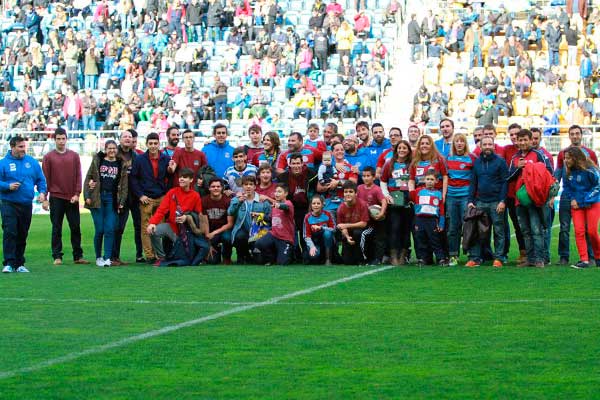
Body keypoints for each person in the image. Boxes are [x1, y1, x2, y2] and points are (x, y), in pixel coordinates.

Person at [0, 136, 47, 273]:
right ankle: (9, 262)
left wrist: (42, 193)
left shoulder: (32, 162)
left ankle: (19, 263)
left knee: (22, 233)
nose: (23, 149)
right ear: (12, 147)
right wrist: (7, 186)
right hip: (9, 203)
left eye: (24, 146)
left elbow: (41, 180)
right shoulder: (3, 163)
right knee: (10, 231)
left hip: (26, 204)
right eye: (20, 147)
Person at [507, 129, 554, 267]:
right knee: (525, 231)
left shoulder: (538, 155)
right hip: (520, 200)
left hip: (536, 200)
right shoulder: (515, 158)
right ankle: (530, 258)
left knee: (536, 229)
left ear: (530, 140)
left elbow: (549, 174)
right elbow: (508, 178)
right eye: (520, 140)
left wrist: (548, 196)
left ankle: (539, 259)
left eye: (525, 139)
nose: (522, 142)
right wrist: (518, 168)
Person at [42, 128, 88, 266]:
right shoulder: (48, 157)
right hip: (56, 197)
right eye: (58, 139)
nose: (61, 141)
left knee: (75, 227)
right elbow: (45, 179)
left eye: (63, 138)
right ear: (54, 140)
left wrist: (77, 194)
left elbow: (78, 176)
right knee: (57, 228)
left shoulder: (74, 156)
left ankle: (78, 256)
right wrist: (44, 197)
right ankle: (57, 256)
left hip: (72, 198)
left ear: (66, 139)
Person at [555, 125, 598, 265]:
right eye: (572, 134)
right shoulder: (563, 155)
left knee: (588, 229)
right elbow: (560, 176)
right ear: (569, 136)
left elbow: (596, 181)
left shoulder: (590, 155)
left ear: (581, 135)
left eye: (577, 133)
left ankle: (593, 256)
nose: (575, 136)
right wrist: (553, 194)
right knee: (565, 227)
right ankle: (566, 257)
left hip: (588, 199)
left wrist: (587, 199)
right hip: (569, 197)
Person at [147, 168, 207, 266]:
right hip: (172, 227)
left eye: (184, 177)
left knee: (186, 257)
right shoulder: (172, 192)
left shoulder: (195, 195)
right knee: (153, 230)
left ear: (191, 180)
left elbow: (198, 215)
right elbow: (161, 210)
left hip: (187, 231)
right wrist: (152, 223)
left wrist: (187, 217)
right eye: (180, 177)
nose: (181, 179)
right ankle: (162, 257)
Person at [84, 140, 128, 267]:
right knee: (100, 229)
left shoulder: (121, 164)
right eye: (109, 148)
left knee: (110, 229)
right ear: (105, 149)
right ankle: (98, 257)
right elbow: (88, 178)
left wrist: (122, 202)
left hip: (112, 199)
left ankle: (107, 258)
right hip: (97, 198)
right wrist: (87, 195)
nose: (112, 150)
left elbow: (124, 185)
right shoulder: (98, 160)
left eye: (114, 148)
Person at [466, 136, 508, 268]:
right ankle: (475, 258)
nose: (488, 146)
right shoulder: (477, 162)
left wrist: (502, 201)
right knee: (477, 231)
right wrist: (470, 200)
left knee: (499, 231)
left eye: (490, 144)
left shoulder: (500, 162)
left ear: (494, 146)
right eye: (485, 144)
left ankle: (499, 258)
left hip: (496, 202)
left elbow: (505, 183)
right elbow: (473, 182)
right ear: (481, 147)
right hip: (480, 202)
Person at [130, 133, 172, 263]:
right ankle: (149, 255)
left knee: (160, 227)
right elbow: (133, 178)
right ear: (147, 144)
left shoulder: (165, 159)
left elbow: (170, 177)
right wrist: (140, 195)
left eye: (155, 143)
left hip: (161, 197)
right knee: (146, 227)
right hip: (146, 197)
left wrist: (166, 195)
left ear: (159, 144)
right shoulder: (140, 159)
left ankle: (161, 254)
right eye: (151, 143)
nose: (153, 146)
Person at [564, 147, 600, 269]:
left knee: (592, 231)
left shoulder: (591, 170)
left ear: (575, 158)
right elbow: (567, 187)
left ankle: (598, 256)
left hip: (592, 203)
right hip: (577, 205)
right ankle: (584, 260)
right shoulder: (568, 171)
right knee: (579, 231)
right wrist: (573, 199)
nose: (566, 160)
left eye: (568, 158)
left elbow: (597, 186)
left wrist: (587, 200)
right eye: (565, 157)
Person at [380, 140, 413, 266]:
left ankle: (403, 255)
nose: (402, 150)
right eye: (400, 148)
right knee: (394, 228)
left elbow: (414, 180)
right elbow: (383, 181)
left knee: (406, 228)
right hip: (394, 199)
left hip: (408, 199)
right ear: (396, 150)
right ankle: (393, 255)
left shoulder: (412, 164)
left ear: (408, 150)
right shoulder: (389, 164)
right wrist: (386, 195)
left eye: (405, 148)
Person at [445, 133, 475, 266]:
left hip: (465, 196)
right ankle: (453, 255)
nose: (459, 143)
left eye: (462, 141)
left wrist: (472, 198)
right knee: (453, 227)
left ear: (465, 144)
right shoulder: (448, 159)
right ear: (454, 144)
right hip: (451, 197)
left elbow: (475, 178)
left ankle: (471, 255)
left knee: (468, 226)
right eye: (457, 141)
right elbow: (444, 177)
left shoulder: (471, 158)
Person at [227, 175, 272, 264]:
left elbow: (270, 217)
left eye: (251, 184)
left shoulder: (262, 200)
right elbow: (230, 212)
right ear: (242, 186)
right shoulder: (236, 199)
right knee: (239, 237)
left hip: (259, 230)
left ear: (255, 186)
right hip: (243, 230)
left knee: (259, 261)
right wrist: (238, 202)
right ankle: (242, 255)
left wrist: (260, 217)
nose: (248, 186)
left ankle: (256, 254)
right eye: (246, 184)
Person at [410, 171, 448, 266]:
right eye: (427, 179)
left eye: (432, 179)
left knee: (435, 240)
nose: (429, 181)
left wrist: (441, 224)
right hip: (420, 220)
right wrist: (407, 182)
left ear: (436, 181)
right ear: (424, 180)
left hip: (432, 221)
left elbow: (442, 211)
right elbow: (410, 195)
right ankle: (423, 259)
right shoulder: (418, 191)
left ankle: (440, 259)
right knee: (421, 240)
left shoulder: (438, 194)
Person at [255, 184, 295, 265]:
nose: (276, 194)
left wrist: (278, 205)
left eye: (279, 192)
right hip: (274, 234)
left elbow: (285, 207)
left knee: (282, 263)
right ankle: (270, 259)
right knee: (259, 243)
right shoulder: (273, 206)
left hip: (285, 239)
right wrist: (260, 216)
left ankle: (289, 253)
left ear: (286, 193)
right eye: (276, 191)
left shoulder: (288, 203)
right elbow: (270, 219)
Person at [357, 167, 387, 265]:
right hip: (365, 219)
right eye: (364, 176)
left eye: (368, 176)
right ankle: (367, 258)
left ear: (373, 177)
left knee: (379, 239)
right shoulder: (359, 188)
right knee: (367, 238)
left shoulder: (376, 189)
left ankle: (378, 259)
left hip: (377, 219)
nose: (365, 178)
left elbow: (383, 201)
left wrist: (381, 213)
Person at [336, 181, 369, 265]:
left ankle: (363, 258)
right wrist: (347, 237)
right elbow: (341, 226)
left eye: (351, 192)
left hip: (365, 230)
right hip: (350, 233)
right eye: (345, 192)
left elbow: (364, 224)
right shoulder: (340, 208)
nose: (348, 194)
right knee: (347, 262)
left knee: (357, 233)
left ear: (356, 193)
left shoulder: (362, 204)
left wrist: (346, 225)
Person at [203, 178, 233, 264]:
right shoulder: (204, 201)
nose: (215, 188)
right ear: (209, 188)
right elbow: (204, 222)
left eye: (218, 186)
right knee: (212, 262)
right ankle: (215, 253)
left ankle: (226, 256)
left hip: (224, 230)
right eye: (213, 186)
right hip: (210, 231)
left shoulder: (228, 201)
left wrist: (214, 232)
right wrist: (208, 237)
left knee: (227, 238)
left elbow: (230, 224)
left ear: (222, 188)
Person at [303, 195, 336, 265]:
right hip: (314, 241)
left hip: (327, 241)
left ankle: (328, 259)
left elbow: (334, 229)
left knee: (327, 233)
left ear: (322, 205)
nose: (316, 205)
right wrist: (312, 246)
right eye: (314, 203)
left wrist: (321, 228)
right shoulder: (307, 217)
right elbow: (306, 235)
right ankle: (317, 253)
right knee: (314, 257)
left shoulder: (328, 214)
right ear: (311, 205)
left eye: (318, 203)